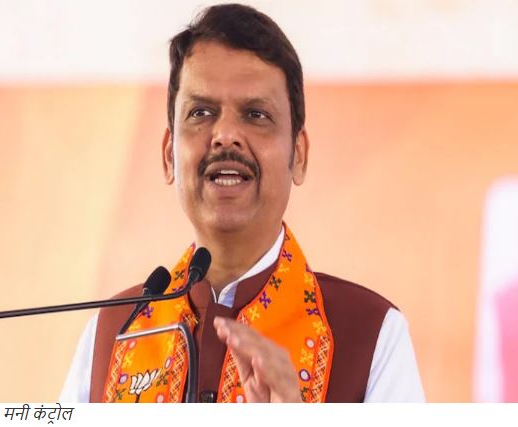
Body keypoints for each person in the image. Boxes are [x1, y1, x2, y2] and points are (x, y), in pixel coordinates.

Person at [60, 3, 425, 403]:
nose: (226, 135)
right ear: (169, 156)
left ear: (299, 156)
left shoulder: (371, 335)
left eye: (255, 114)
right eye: (201, 112)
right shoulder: (112, 333)